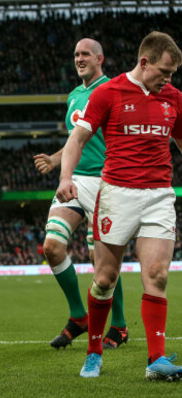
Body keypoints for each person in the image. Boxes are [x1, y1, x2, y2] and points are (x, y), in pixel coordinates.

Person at [56, 31, 182, 380]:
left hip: (159, 195)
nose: (168, 81)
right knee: (105, 278)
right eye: (165, 72)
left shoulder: (174, 97)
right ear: (144, 63)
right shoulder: (108, 93)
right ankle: (94, 350)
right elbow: (76, 139)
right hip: (116, 194)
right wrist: (66, 177)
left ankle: (156, 361)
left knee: (156, 275)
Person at [33, 38, 128, 350]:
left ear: (100, 58)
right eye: (75, 54)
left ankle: (120, 325)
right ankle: (78, 317)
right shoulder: (75, 95)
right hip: (75, 180)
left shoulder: (114, 89)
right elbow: (78, 139)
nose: (79, 58)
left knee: (101, 259)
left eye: (85, 53)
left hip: (105, 181)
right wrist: (57, 159)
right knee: (52, 247)